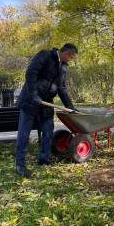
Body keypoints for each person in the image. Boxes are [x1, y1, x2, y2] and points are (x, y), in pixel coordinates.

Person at [15, 43, 78, 178]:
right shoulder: (45, 55)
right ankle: (20, 164)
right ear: (66, 52)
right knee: (24, 134)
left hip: (46, 103)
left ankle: (44, 159)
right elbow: (31, 73)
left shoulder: (63, 67)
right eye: (71, 57)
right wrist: (33, 94)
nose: (70, 60)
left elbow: (61, 88)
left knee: (48, 131)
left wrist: (70, 106)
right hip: (30, 101)